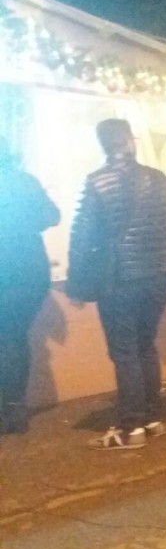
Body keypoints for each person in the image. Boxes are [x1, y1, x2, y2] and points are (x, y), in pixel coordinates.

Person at [67, 119, 166, 450]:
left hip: (119, 278)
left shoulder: (97, 182)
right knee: (146, 346)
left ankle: (130, 427)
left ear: (103, 144)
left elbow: (82, 237)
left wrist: (77, 285)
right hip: (157, 276)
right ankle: (151, 418)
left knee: (125, 352)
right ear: (129, 141)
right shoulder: (158, 179)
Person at [0, 138, 60, 434]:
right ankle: (14, 409)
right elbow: (52, 216)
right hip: (31, 273)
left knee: (8, 339)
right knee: (14, 338)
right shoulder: (26, 182)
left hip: (6, 273)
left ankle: (10, 410)